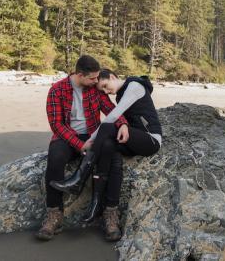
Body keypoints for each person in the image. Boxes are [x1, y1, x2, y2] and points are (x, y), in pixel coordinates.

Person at [50, 69, 162, 241]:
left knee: (107, 128)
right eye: (102, 90)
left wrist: (89, 143)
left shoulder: (134, 86)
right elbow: (121, 120)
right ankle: (101, 206)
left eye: (105, 85)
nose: (105, 91)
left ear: (112, 77)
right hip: (131, 138)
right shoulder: (120, 94)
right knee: (109, 146)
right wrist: (123, 126)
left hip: (149, 140)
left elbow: (113, 117)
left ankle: (80, 176)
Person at [36, 56, 129, 241]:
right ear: (80, 75)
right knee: (55, 158)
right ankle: (55, 214)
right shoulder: (57, 90)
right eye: (93, 78)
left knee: (114, 158)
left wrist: (123, 124)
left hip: (94, 135)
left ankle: (110, 214)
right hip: (67, 136)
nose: (97, 81)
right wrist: (79, 145)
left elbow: (110, 110)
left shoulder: (94, 90)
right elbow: (56, 124)